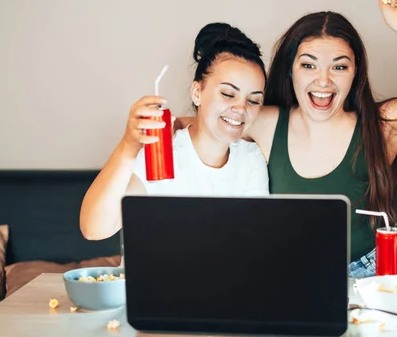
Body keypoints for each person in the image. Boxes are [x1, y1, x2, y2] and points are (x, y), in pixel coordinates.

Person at [180, 0, 397, 336]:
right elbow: (204, 119)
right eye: (308, 65)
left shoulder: (383, 124)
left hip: (390, 267)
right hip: (304, 280)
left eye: (339, 66)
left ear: (355, 74)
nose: (323, 81)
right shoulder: (264, 122)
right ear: (290, 71)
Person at [80, 22, 269, 242]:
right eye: (228, 94)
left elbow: (254, 240)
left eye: (253, 100)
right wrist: (128, 145)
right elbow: (94, 229)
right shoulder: (162, 153)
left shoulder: (250, 159)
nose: (241, 108)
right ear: (197, 92)